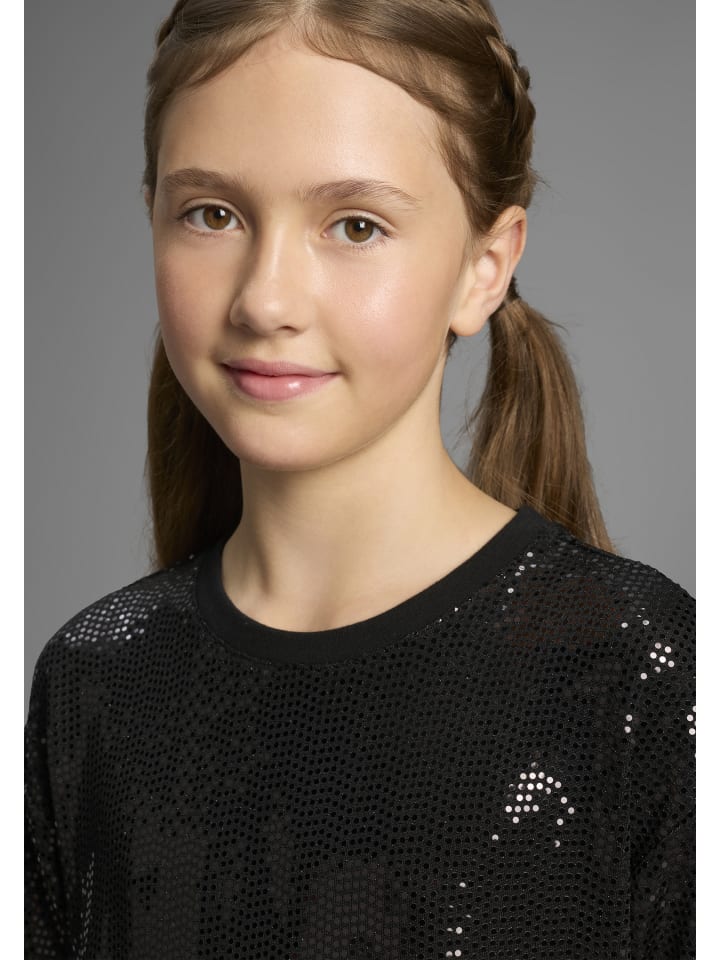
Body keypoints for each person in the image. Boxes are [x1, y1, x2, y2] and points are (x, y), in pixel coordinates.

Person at [25, 1, 695, 957]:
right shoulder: (92, 684)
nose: (265, 299)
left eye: (355, 224)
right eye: (212, 214)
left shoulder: (639, 673)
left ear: (484, 267)